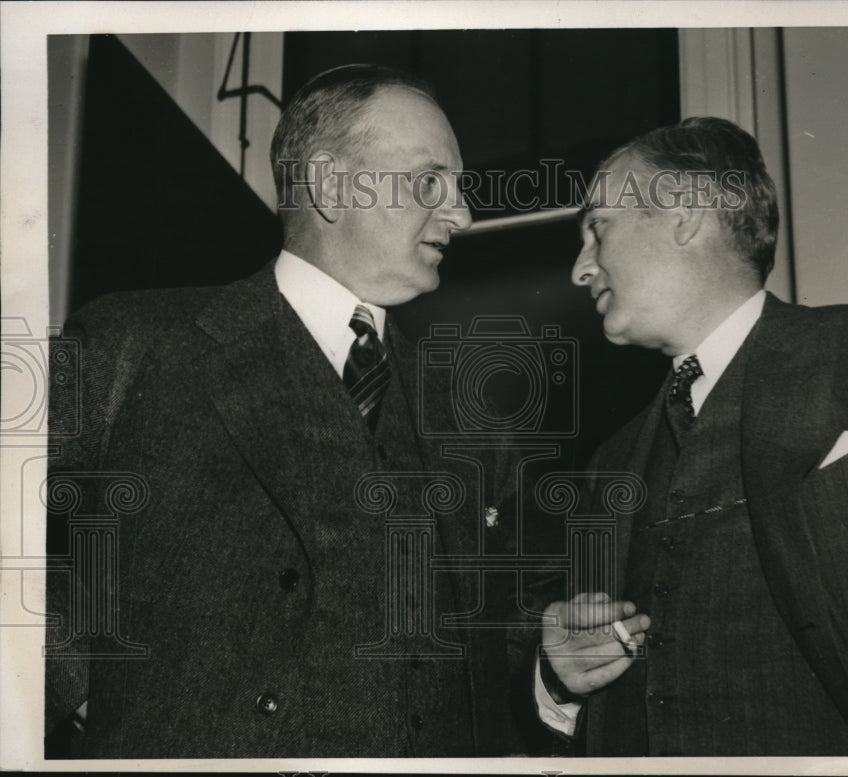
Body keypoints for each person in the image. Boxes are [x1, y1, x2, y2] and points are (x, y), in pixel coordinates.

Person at [45, 64, 520, 758]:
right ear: (329, 184)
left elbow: (503, 636)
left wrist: (552, 672)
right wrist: (76, 680)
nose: (462, 214)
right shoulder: (129, 342)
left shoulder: (472, 418)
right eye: (430, 181)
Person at [534, 117, 848, 756]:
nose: (580, 269)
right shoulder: (610, 462)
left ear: (684, 214)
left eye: (599, 228)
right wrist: (559, 682)